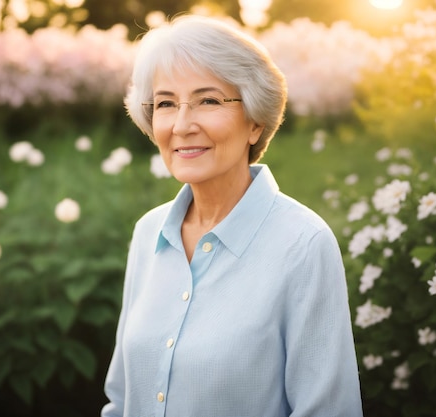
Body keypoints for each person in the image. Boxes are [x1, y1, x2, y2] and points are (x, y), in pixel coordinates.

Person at [101, 14, 363, 417]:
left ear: (255, 122)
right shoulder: (148, 232)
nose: (183, 125)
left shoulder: (303, 245)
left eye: (208, 100)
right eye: (167, 103)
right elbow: (121, 401)